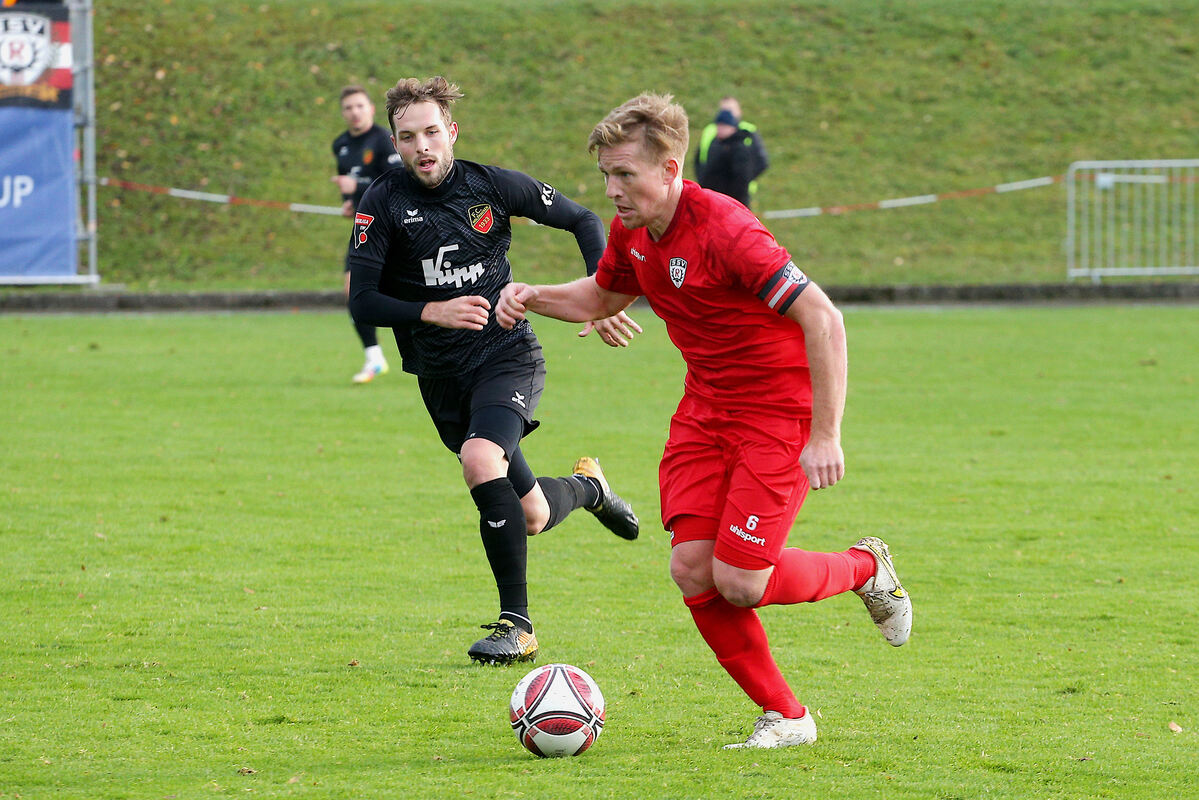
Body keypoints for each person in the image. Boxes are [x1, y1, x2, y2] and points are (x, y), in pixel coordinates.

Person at [497, 93, 912, 748]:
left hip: (777, 414)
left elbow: (822, 319)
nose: (612, 190)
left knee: (740, 582)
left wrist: (826, 434)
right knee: (692, 569)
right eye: (605, 176)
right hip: (703, 413)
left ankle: (863, 569)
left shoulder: (727, 230)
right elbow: (603, 295)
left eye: (625, 175)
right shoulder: (633, 232)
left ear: (669, 168)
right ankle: (787, 717)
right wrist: (531, 296)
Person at [346, 76, 643, 666]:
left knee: (480, 459)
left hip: (505, 354)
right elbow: (362, 301)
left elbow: (586, 221)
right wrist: (431, 310)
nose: (423, 147)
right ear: (396, 144)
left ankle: (518, 625)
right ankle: (590, 488)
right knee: (530, 514)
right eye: (409, 137)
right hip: (439, 375)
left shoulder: (490, 185)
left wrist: (603, 295)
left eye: (432, 132)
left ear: (451, 132)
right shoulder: (380, 201)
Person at [332, 85, 403, 384]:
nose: (354, 112)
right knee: (353, 290)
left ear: (371, 109)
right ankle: (374, 357)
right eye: (348, 107)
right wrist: (350, 204)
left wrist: (357, 190)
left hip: (396, 226)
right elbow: (351, 187)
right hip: (364, 228)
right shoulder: (341, 145)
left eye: (359, 106)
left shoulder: (384, 141)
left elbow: (395, 181)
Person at [693, 96, 769, 209]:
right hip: (711, 194)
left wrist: (744, 180)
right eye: (723, 109)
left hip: (738, 197)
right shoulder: (710, 131)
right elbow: (700, 158)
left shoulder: (748, 132)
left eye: (730, 109)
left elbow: (761, 161)